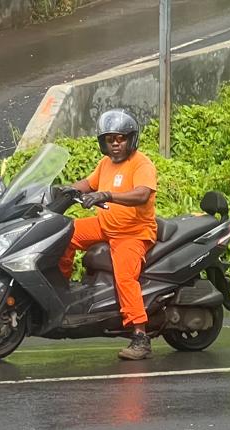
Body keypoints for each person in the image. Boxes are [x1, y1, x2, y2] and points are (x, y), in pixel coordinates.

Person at [58, 109, 159, 361]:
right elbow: (88, 183)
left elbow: (142, 194)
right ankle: (60, 289)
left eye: (121, 138)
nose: (115, 144)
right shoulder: (105, 164)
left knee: (125, 277)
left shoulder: (141, 164)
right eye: (110, 139)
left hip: (133, 233)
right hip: (104, 225)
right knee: (62, 234)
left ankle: (140, 337)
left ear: (131, 139)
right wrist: (62, 190)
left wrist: (108, 195)